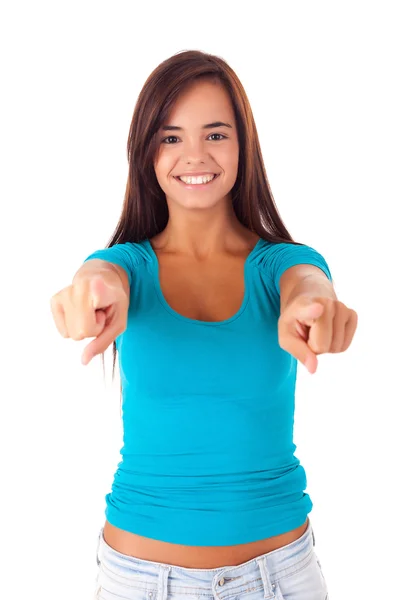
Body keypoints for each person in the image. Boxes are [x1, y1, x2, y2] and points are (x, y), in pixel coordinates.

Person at [50, 50, 357, 600]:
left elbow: (309, 283)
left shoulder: (280, 265)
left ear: (243, 147)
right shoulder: (127, 268)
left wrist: (314, 306)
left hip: (280, 578)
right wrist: (89, 292)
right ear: (145, 152)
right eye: (170, 138)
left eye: (215, 135)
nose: (194, 155)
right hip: (140, 582)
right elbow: (100, 275)